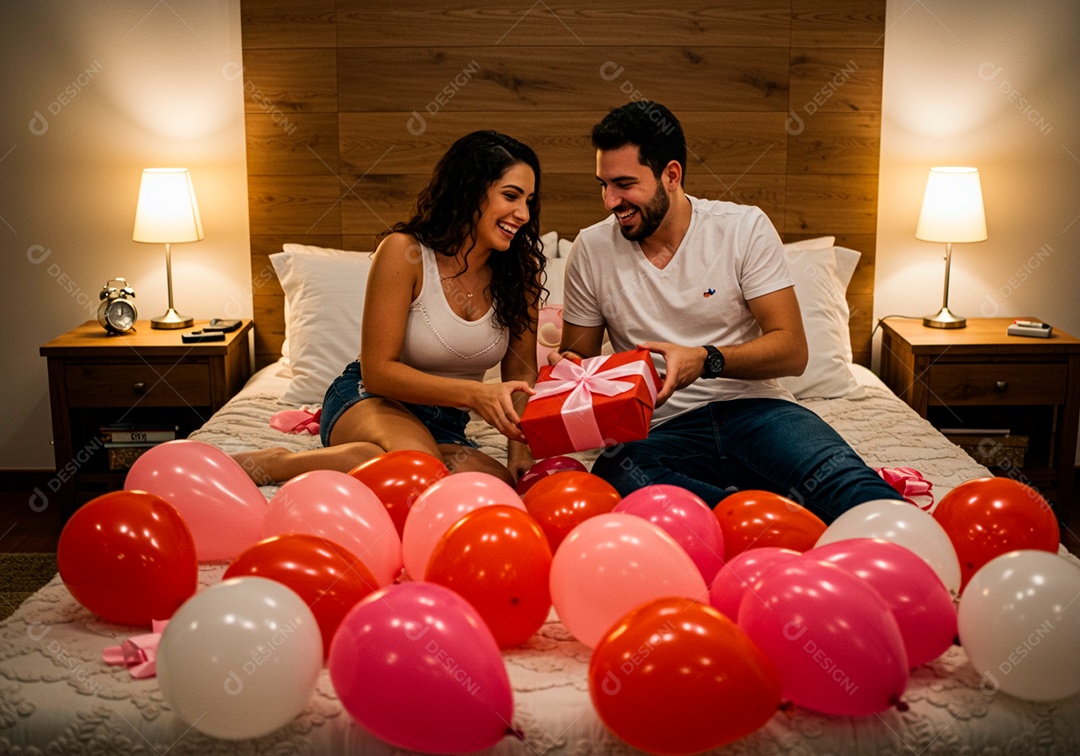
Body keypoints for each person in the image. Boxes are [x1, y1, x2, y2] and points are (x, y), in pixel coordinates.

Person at [554, 102, 903, 523]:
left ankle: (747, 516)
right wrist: (566, 375)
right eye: (604, 184)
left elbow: (792, 351)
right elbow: (582, 362)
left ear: (671, 175)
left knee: (855, 490)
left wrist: (705, 360)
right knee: (617, 475)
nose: (611, 201)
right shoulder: (591, 250)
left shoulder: (742, 228)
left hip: (760, 413)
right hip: (660, 431)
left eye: (624, 184)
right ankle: (762, 521)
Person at [236, 130, 544, 487]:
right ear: (469, 190)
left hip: (446, 423)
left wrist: (519, 450)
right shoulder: (405, 253)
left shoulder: (521, 273)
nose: (523, 214)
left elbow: (521, 375)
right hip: (371, 401)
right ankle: (277, 463)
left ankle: (371, 457)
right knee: (420, 470)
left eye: (529, 200)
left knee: (494, 484)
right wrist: (475, 394)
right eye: (511, 196)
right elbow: (378, 372)